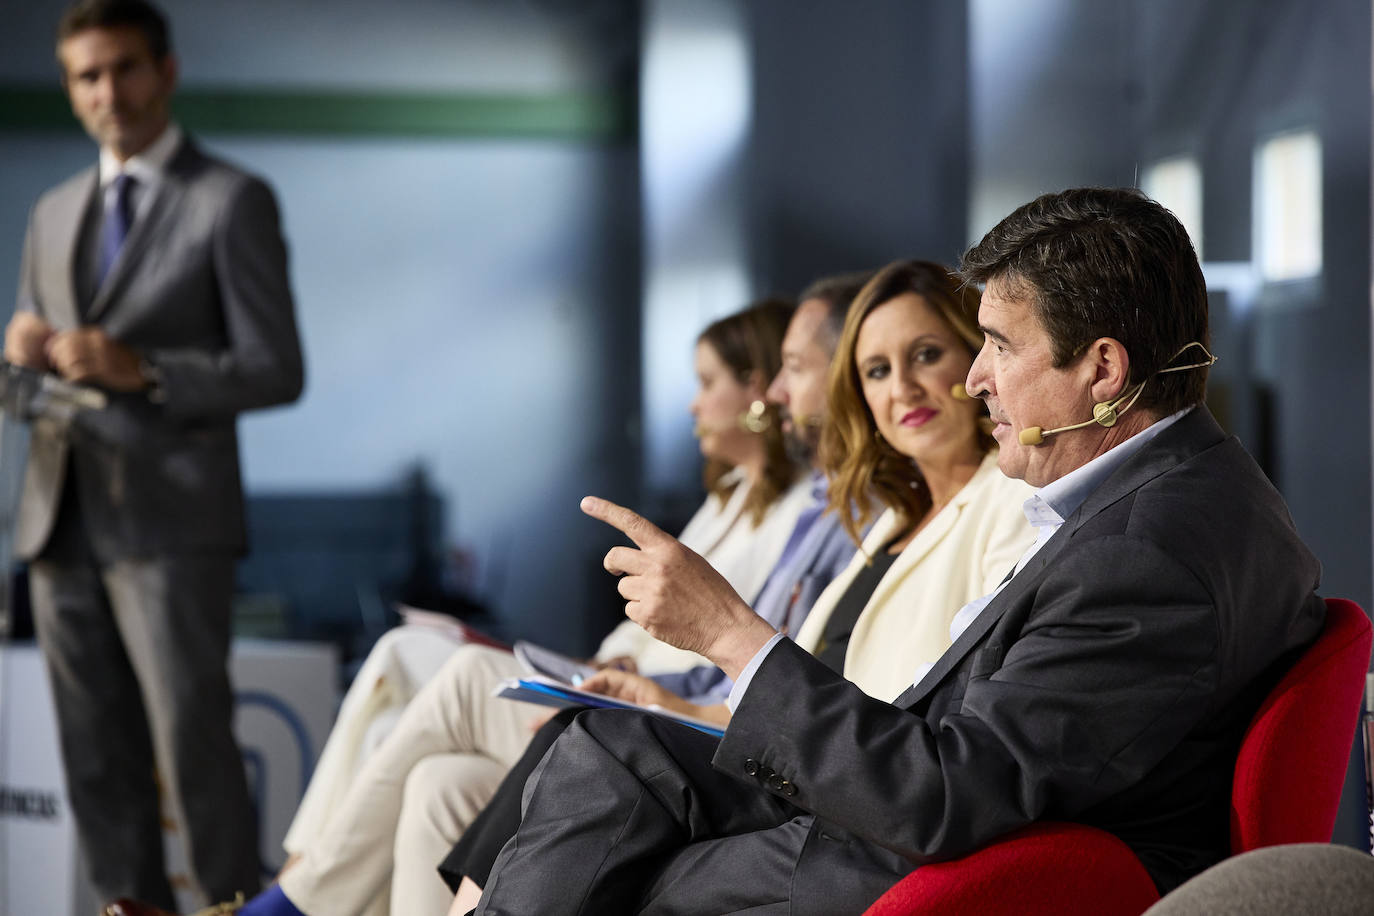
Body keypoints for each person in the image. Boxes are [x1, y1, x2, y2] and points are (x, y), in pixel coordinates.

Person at [469, 187, 1327, 915]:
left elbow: (956, 796)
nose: (973, 378)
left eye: (998, 344)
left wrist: (729, 632)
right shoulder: (1175, 490)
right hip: (917, 817)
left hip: (942, 868)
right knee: (613, 748)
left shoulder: (1149, 552)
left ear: (1102, 371)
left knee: (614, 869)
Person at [104, 301, 812, 916]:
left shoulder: (802, 511)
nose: (693, 403)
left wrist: (645, 681)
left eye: (708, 383)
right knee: (427, 770)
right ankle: (292, 888)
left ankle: (283, 900)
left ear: (758, 391)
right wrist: (614, 664)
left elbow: (737, 660)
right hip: (632, 684)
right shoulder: (728, 501)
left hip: (665, 716)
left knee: (444, 668)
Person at [437, 259, 1037, 913]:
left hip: (855, 779)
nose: (904, 388)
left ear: (979, 363)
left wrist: (710, 635)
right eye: (878, 371)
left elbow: (938, 716)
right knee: (574, 745)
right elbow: (790, 677)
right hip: (797, 756)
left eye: (926, 355)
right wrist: (662, 693)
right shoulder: (894, 516)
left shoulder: (1007, 501)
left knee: (598, 755)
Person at [5, 0, 304, 909]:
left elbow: (276, 369)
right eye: (88, 76)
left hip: (174, 525)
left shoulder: (230, 198)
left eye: (125, 68)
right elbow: (34, 393)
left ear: (165, 72)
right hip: (60, 518)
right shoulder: (53, 211)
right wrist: (15, 368)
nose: (109, 92)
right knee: (97, 769)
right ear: (70, 89)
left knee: (195, 758)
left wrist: (144, 370)